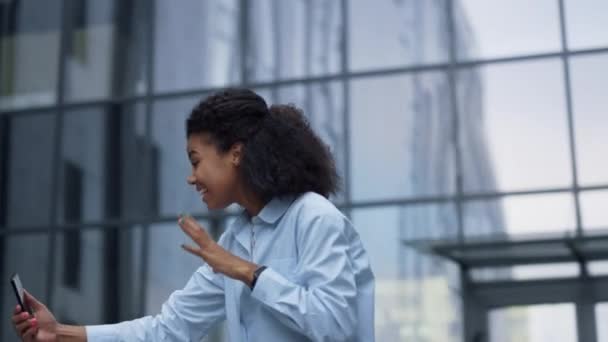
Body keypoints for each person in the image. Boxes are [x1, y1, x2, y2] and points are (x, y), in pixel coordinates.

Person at [11, 88, 375, 341]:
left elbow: (334, 325)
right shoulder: (236, 239)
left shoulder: (312, 216)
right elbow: (170, 329)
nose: (191, 177)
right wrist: (59, 333)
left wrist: (245, 270)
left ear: (235, 152)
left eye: (196, 161)